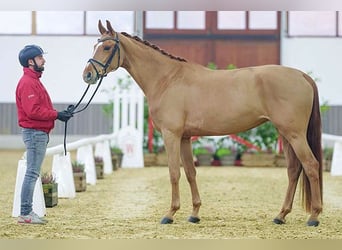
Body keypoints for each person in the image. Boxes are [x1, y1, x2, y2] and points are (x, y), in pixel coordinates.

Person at [15, 45, 73, 224]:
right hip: (35, 133)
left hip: (38, 133)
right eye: (40, 58)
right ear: (30, 62)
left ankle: (26, 212)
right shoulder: (28, 83)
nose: (44, 60)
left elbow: (41, 108)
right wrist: (57, 115)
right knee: (32, 172)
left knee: (33, 172)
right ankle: (25, 213)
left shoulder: (34, 81)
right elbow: (33, 111)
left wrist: (59, 114)